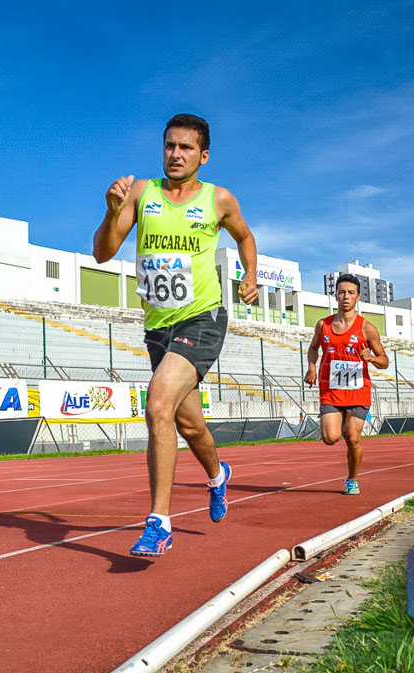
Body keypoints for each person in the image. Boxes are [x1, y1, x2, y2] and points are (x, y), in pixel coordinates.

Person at [93, 113, 259, 557]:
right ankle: (219, 475)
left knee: (158, 402)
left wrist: (250, 275)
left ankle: (158, 523)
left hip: (202, 318)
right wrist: (112, 214)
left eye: (186, 148)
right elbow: (103, 253)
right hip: (157, 327)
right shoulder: (141, 193)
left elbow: (245, 237)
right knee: (189, 423)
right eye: (169, 146)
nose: (175, 154)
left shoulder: (218, 199)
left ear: (203, 156)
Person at [303, 273, 389, 495]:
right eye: (341, 292)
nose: (345, 297)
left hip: (358, 391)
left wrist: (372, 358)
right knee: (330, 438)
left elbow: (385, 362)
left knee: (352, 439)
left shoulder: (367, 328)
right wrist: (312, 367)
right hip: (331, 390)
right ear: (335, 295)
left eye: (351, 293)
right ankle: (340, 420)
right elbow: (313, 348)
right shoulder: (324, 325)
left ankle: (352, 479)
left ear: (358, 298)